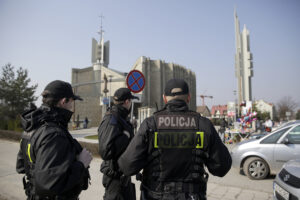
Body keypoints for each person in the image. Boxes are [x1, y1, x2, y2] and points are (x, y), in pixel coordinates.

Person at [118, 79, 232, 200]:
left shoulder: (150, 124)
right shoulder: (203, 125)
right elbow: (222, 168)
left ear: (164, 98)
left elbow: (127, 166)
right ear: (188, 97)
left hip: (154, 195)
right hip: (192, 195)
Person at [16, 80, 93, 200]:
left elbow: (21, 166)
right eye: (71, 102)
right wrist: (81, 164)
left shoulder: (32, 126)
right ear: (63, 101)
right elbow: (50, 184)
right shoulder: (55, 134)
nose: (72, 108)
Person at [98, 88, 139, 200]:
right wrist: (125, 136)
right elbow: (106, 151)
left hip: (123, 176)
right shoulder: (112, 118)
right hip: (115, 179)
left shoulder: (120, 118)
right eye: (130, 101)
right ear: (127, 102)